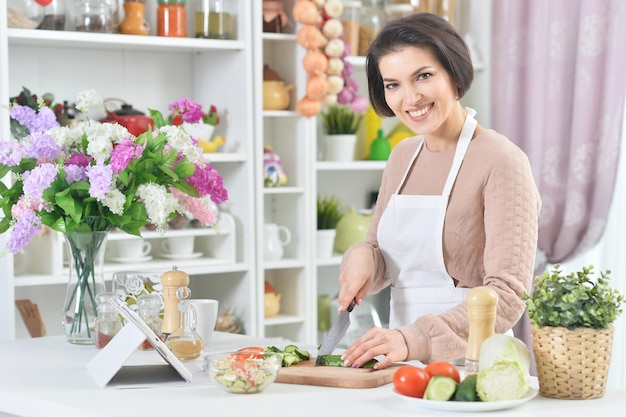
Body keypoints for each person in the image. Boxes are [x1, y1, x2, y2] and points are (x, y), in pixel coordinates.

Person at [337, 13, 541, 370]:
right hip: (400, 362)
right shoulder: (402, 156)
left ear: (454, 72)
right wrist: (363, 257)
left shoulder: (502, 160)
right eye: (392, 84)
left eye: (423, 76)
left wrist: (414, 339)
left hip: (475, 366)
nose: (409, 98)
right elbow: (385, 255)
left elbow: (508, 297)